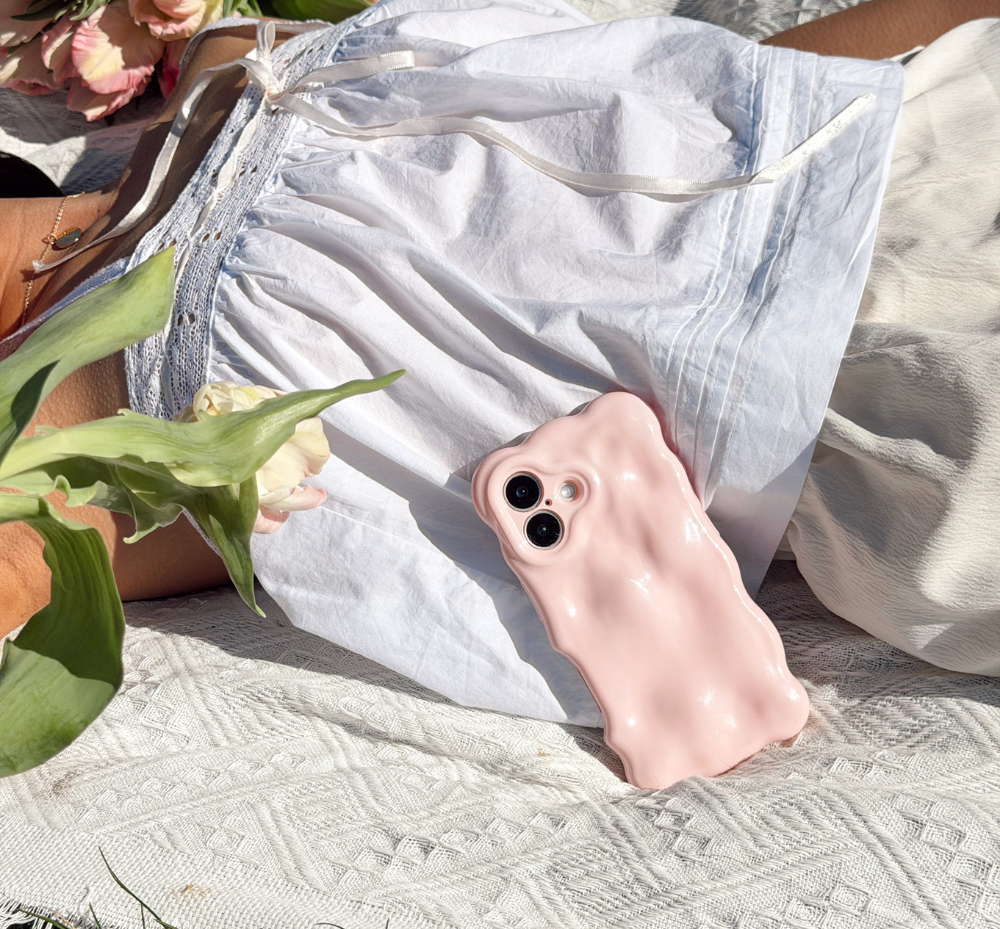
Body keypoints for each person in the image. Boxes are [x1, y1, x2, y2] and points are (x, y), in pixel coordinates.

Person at [0, 0, 997, 724]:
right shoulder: (64, 455)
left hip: (915, 132)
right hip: (898, 394)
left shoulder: (231, 71)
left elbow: (698, 80)